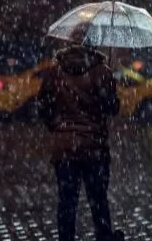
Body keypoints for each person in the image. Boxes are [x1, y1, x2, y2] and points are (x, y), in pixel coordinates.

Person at [37, 38, 125, 241]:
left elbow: (42, 106)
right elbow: (112, 108)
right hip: (94, 147)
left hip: (65, 148)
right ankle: (104, 237)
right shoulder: (102, 71)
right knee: (98, 200)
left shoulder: (54, 72)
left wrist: (58, 128)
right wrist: (108, 86)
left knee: (67, 202)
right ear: (92, 45)